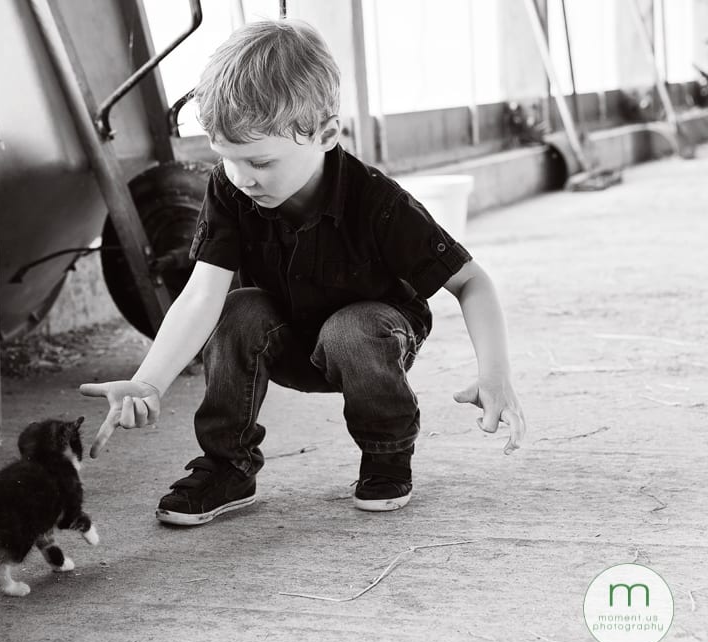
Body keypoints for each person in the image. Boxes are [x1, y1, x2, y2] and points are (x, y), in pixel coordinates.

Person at [80, 18, 526, 526]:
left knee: (351, 330)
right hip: (287, 333)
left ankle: (386, 454)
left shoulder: (377, 202)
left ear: (326, 134)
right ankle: (228, 466)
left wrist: (495, 375)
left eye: (261, 162)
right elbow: (201, 295)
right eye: (227, 158)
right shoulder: (230, 190)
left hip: (370, 337)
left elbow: (472, 281)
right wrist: (148, 382)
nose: (243, 178)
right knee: (236, 309)